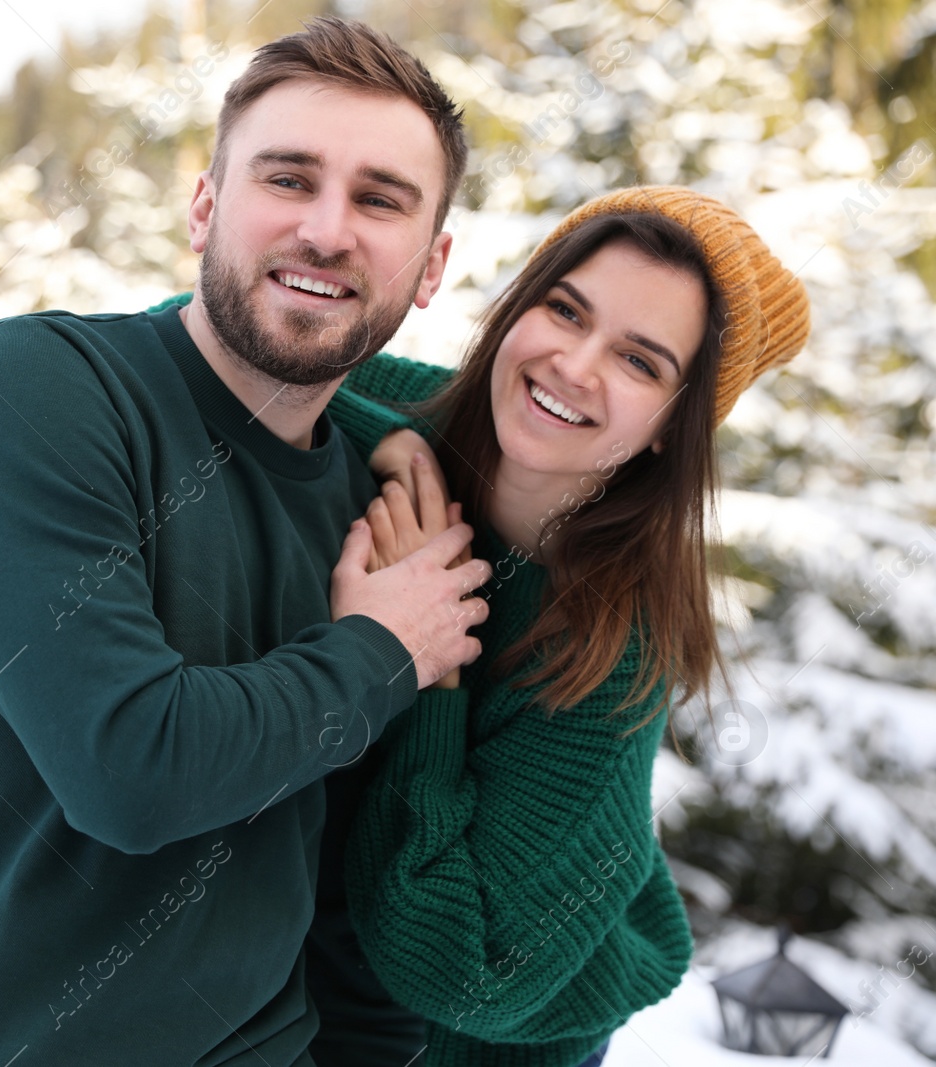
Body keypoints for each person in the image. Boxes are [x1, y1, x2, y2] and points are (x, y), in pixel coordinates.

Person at [0, 19, 496, 1067]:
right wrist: (380, 648)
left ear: (430, 264)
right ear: (205, 204)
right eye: (288, 178)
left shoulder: (378, 512)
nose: (325, 228)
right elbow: (128, 765)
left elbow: (348, 895)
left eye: (380, 199)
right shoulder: (35, 393)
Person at [321, 186, 812, 1065]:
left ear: (673, 426)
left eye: (640, 362)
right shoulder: (410, 404)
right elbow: (213, 340)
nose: (574, 366)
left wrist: (427, 658)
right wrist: (393, 438)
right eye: (565, 309)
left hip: (485, 1035)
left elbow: (462, 972)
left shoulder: (610, 650)